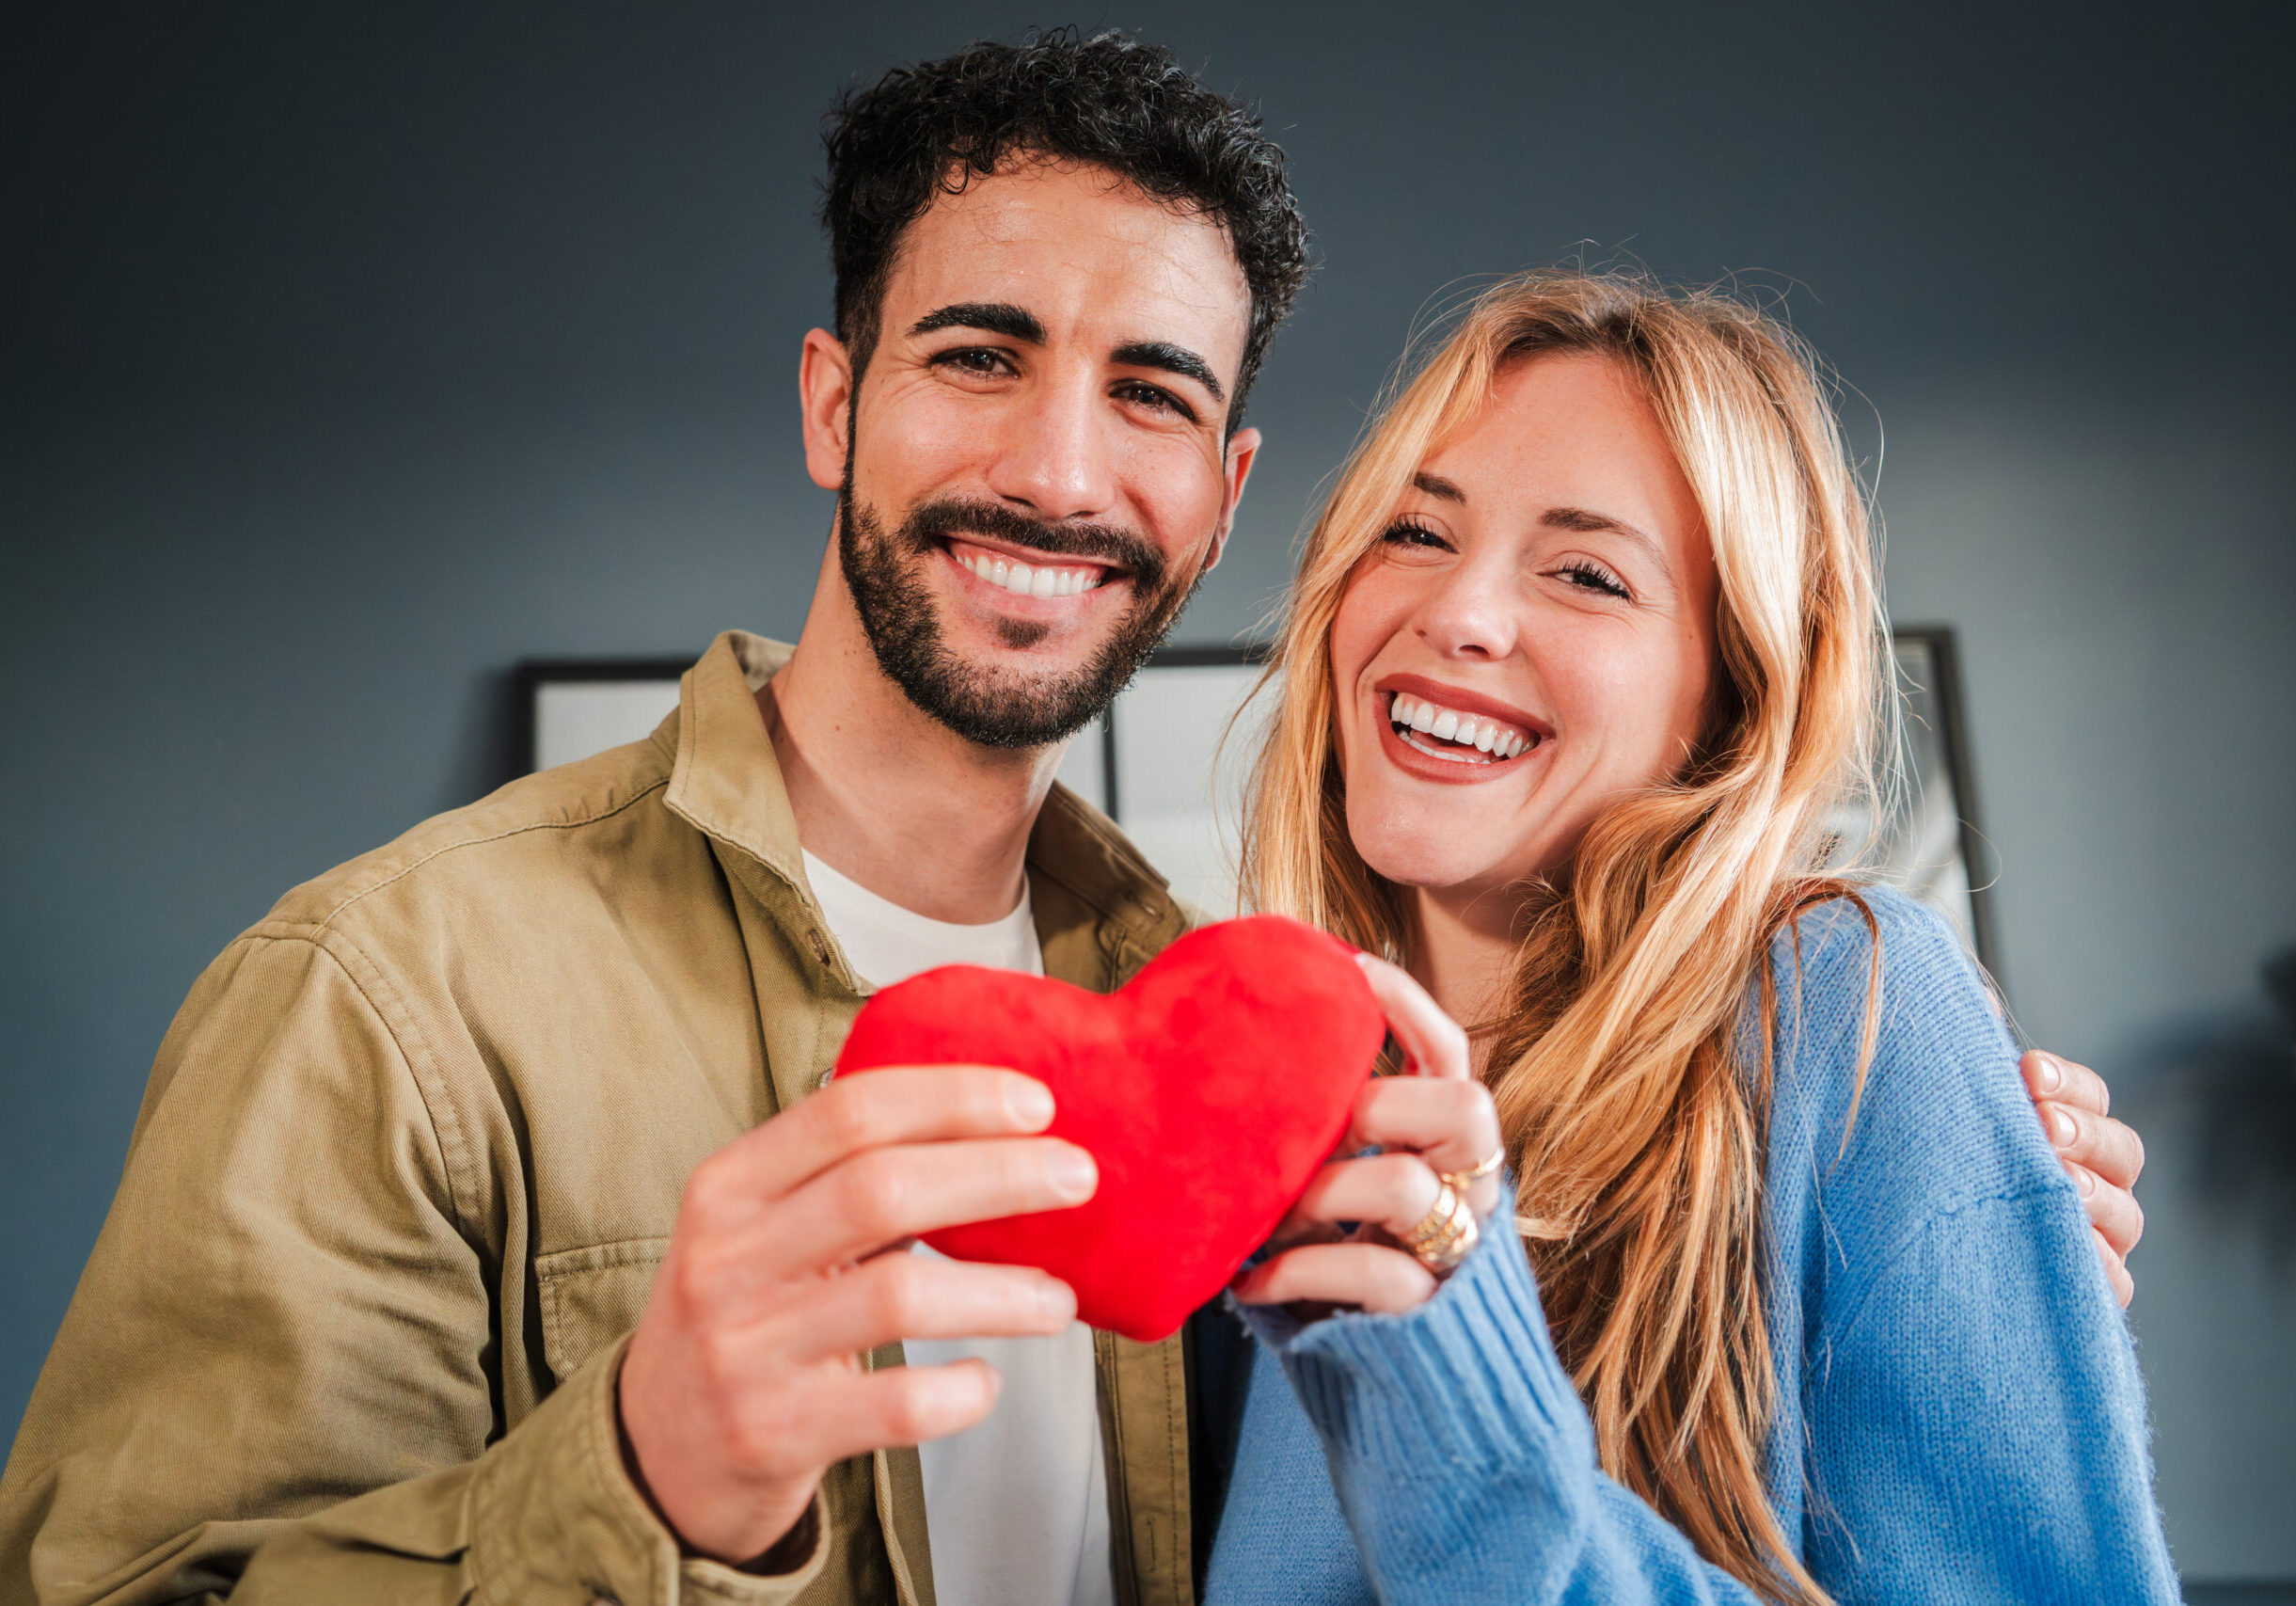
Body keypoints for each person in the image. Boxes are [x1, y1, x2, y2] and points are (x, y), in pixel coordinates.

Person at [0, 32, 2145, 1606]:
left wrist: (1954, 1191)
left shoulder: (1237, 1024)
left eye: (1153, 395)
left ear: (1224, 492)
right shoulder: (388, 989)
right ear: (836, 402)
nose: (1056, 464)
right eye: (977, 352)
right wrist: (641, 1471)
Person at [1193, 271, 2177, 1601]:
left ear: (1728, 693)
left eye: (1586, 573)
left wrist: (1457, 1385)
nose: (1461, 614)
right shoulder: (1282, 1114)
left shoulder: (1838, 1004)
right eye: (1415, 533)